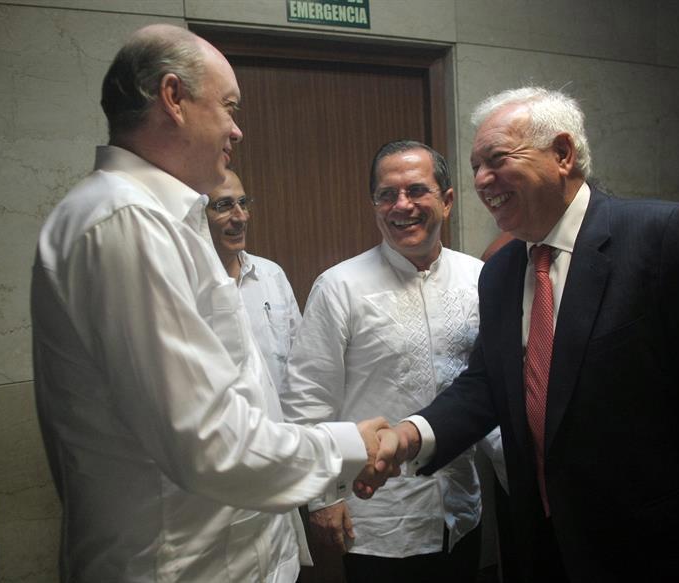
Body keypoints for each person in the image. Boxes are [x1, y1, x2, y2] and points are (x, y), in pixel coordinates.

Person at [373, 87, 679, 581]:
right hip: (545, 550)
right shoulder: (501, 272)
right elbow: (487, 384)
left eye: (497, 159)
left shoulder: (662, 237)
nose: (481, 180)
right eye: (476, 166)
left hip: (657, 551)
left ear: (563, 154)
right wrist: (409, 435)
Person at [30, 25, 394, 582]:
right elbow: (208, 441)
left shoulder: (168, 219)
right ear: (173, 97)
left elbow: (239, 395)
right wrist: (347, 447)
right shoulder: (126, 220)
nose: (237, 129)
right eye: (228, 106)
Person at [281, 140, 503, 583]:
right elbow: (307, 399)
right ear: (374, 206)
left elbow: (489, 390)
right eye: (387, 195)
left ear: (447, 200)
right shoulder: (339, 286)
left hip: (461, 513)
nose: (402, 205)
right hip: (379, 520)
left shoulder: (480, 279)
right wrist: (323, 498)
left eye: (417, 190)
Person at [206, 168, 301, 394]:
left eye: (243, 203)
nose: (241, 217)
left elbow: (300, 361)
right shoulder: (191, 285)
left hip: (280, 415)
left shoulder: (272, 275)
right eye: (224, 206)